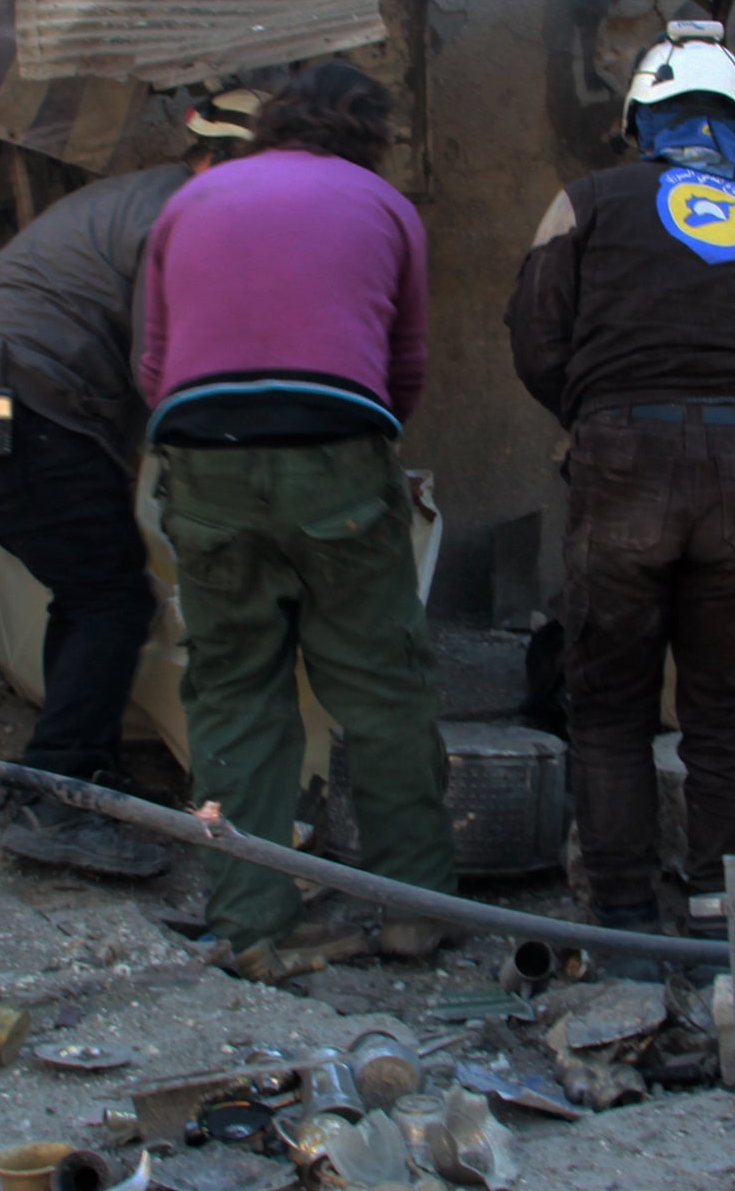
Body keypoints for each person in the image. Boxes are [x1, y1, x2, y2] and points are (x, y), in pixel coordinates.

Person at [138, 61, 457, 976]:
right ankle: (412, 913)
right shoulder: (385, 207)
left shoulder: (190, 201)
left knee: (234, 689)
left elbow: (156, 368)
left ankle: (248, 926)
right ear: (370, 137)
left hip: (201, 454)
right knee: (383, 687)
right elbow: (407, 369)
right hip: (336, 451)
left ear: (274, 124)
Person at [505, 20, 735, 937]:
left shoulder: (585, 202)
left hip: (622, 464)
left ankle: (626, 918)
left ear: (642, 121)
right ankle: (725, 921)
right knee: (726, 711)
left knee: (610, 706)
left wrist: (596, 412)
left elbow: (533, 336)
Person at [0, 90, 264, 879]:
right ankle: (59, 795)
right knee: (111, 595)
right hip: (13, 404)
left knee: (92, 588)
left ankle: (73, 770)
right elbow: (164, 364)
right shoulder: (190, 214)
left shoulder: (158, 197)